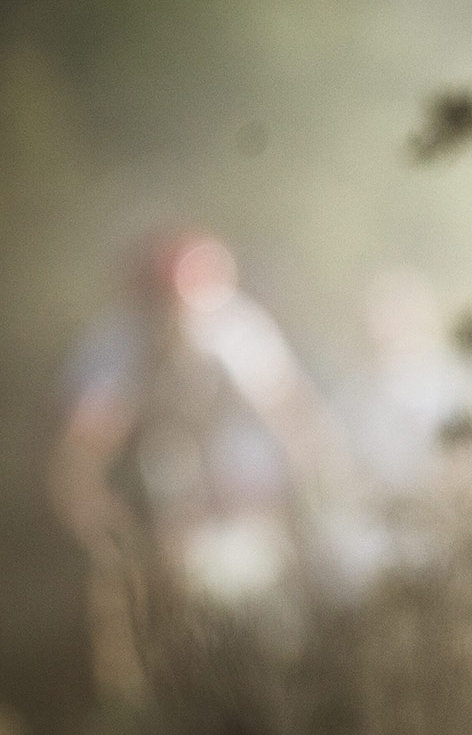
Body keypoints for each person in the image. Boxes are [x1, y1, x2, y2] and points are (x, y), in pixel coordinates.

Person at [48, 229, 351, 695]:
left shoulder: (238, 328)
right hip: (158, 497)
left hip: (245, 492)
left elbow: (296, 417)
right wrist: (98, 518)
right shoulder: (117, 344)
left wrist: (318, 488)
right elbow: (83, 447)